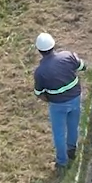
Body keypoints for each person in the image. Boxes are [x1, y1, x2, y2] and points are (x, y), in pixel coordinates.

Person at [32, 33, 85, 168]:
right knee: (73, 126)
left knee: (59, 133)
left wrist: (50, 100)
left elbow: (39, 93)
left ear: (39, 51)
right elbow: (82, 67)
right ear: (54, 45)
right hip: (75, 98)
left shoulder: (40, 72)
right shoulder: (68, 56)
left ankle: (62, 161)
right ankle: (72, 150)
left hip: (57, 105)